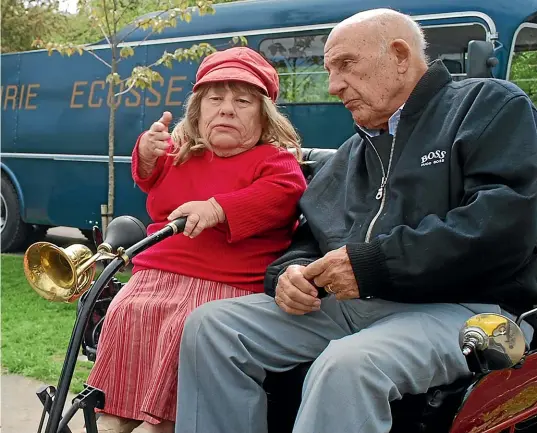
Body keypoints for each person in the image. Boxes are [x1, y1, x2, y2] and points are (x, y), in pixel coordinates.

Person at [174, 8, 537, 433]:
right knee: (211, 326)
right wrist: (287, 275)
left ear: (400, 56)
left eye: (346, 65)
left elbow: (503, 226)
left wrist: (372, 264)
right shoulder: (350, 154)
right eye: (329, 70)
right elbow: (309, 237)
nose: (333, 85)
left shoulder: (487, 106)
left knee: (348, 365)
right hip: (355, 307)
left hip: (466, 308)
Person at [83, 46, 307, 433]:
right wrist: (146, 153)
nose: (226, 109)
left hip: (223, 287)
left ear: (264, 115)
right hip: (150, 282)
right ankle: (115, 416)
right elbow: (147, 177)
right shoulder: (181, 152)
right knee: (121, 319)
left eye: (242, 101)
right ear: (198, 111)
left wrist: (218, 208)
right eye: (215, 99)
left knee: (183, 348)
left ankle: (164, 423)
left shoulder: (274, 159)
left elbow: (284, 194)